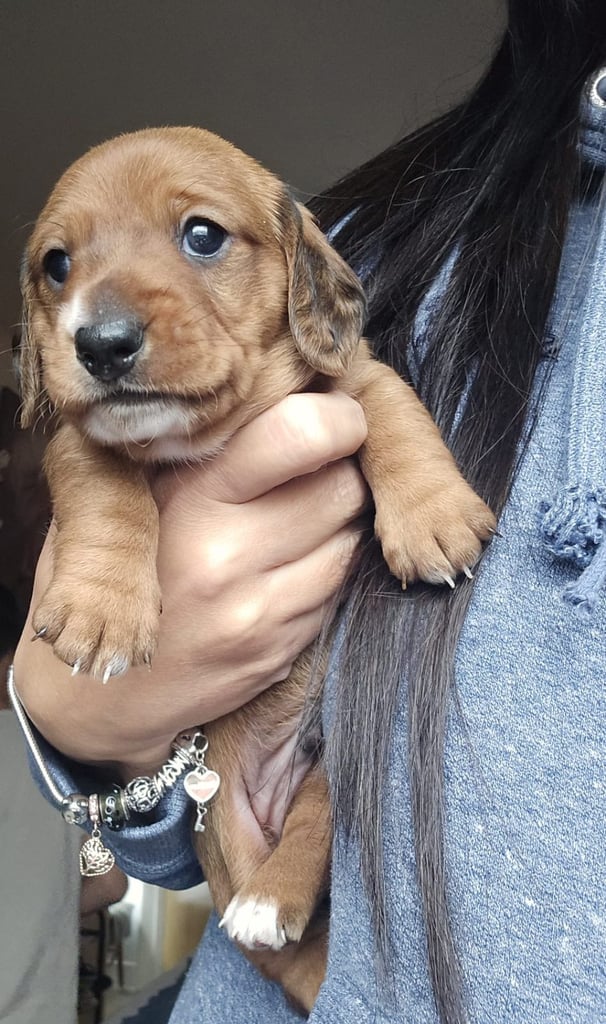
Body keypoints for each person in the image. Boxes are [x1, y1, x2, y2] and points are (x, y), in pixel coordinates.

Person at [11, 1, 606, 1021]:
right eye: (57, 267)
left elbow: (364, 390)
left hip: (335, 785)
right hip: (224, 792)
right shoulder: (423, 232)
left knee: (320, 821)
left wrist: (414, 482)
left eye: (201, 237)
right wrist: (80, 718)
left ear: (302, 279)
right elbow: (87, 463)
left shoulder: (324, 329)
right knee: (243, 864)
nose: (99, 314)